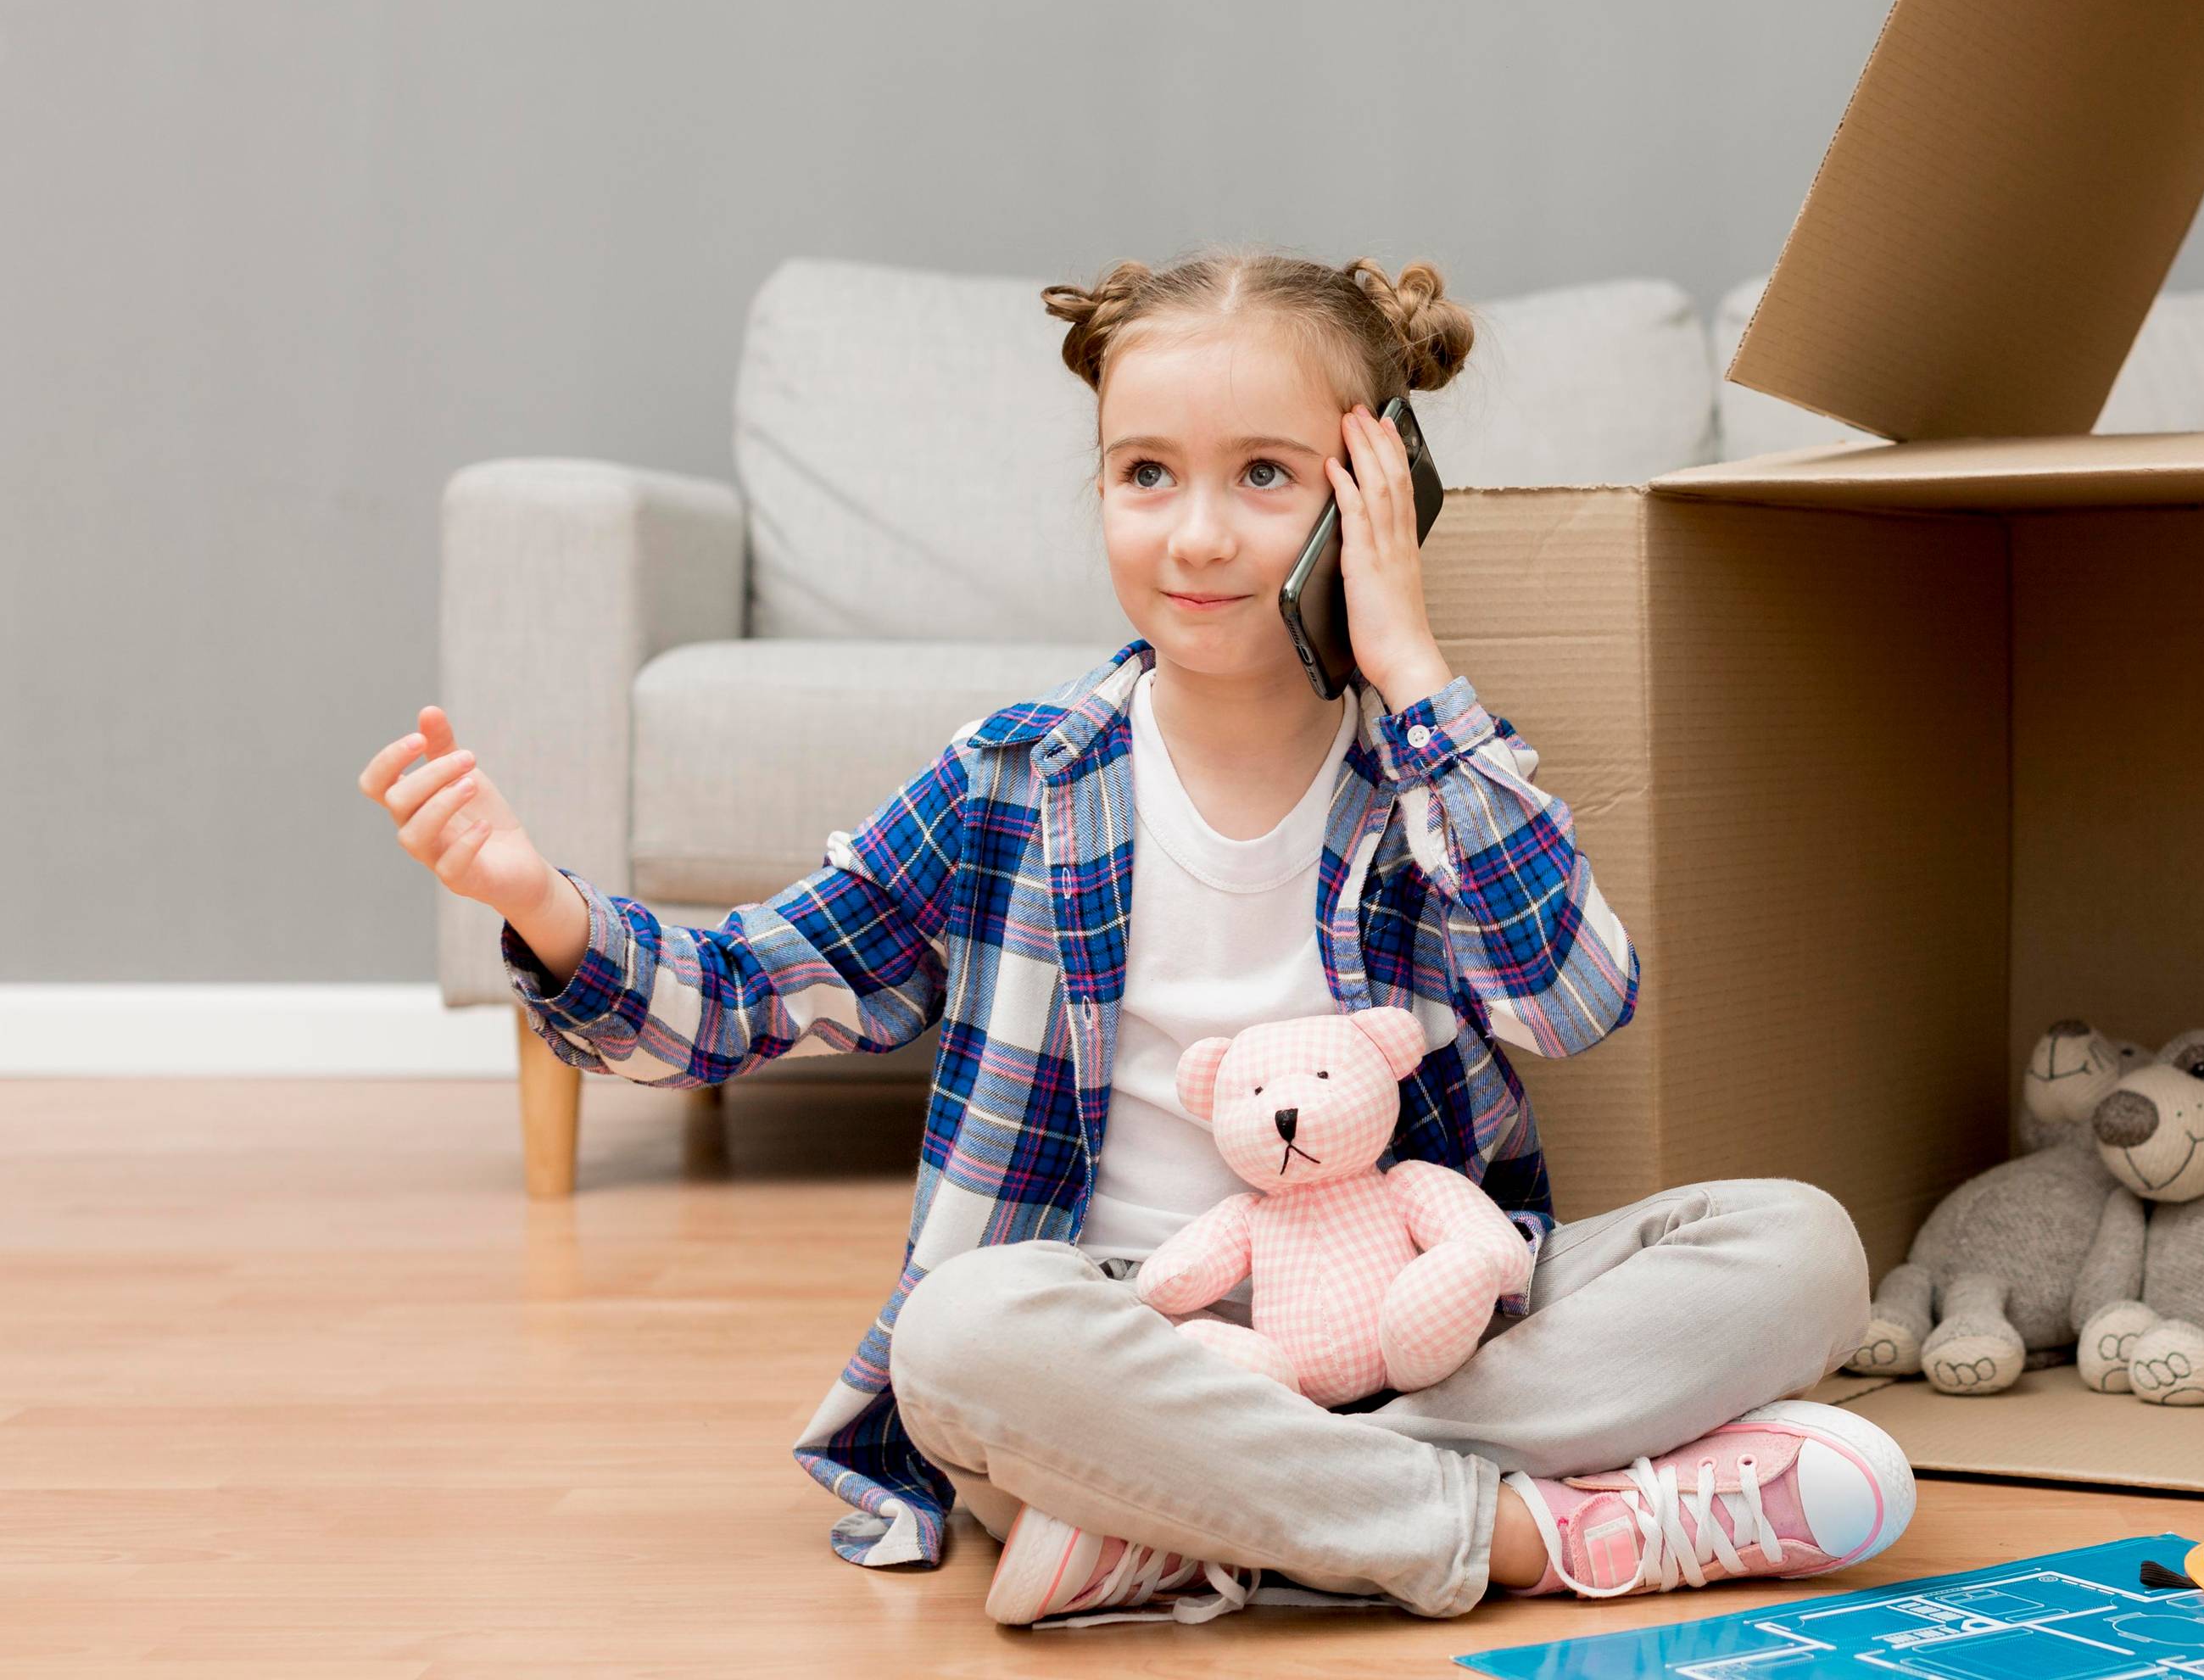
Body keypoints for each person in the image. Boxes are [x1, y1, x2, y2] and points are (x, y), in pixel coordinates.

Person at [358, 248, 1909, 1628]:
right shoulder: (1014, 784)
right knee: (960, 1336)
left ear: (1378, 496)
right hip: (1123, 1329)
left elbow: (1575, 1003)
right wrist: (540, 902)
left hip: (1419, 1325)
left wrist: (1415, 670)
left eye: (1267, 477)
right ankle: (1514, 1534)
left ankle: (1202, 1520)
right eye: (1147, 474)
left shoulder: (1431, 777)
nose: (1199, 535)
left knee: (1801, 1247)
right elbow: (748, 994)